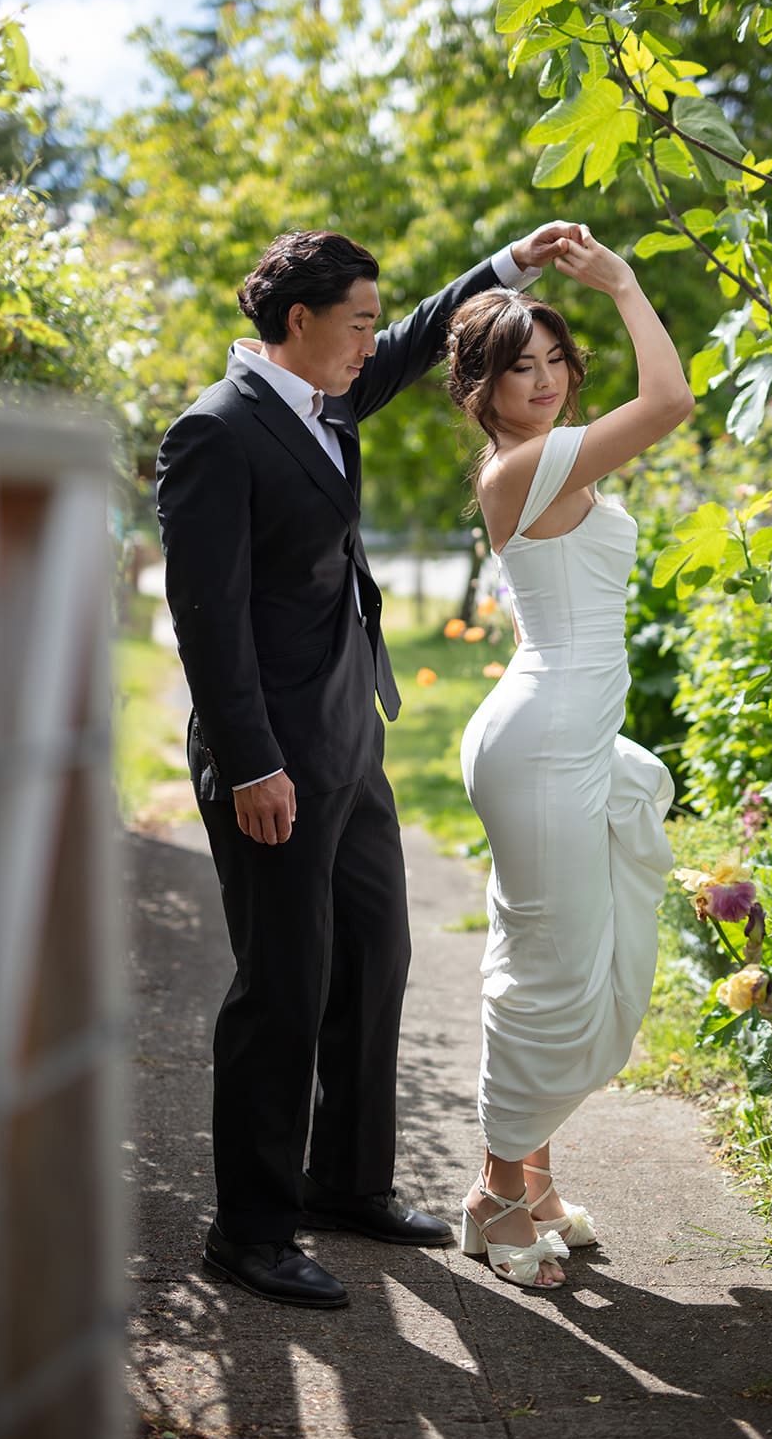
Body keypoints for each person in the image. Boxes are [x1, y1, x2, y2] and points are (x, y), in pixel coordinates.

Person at [156, 220, 584, 1309]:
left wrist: (509, 268)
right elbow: (205, 619)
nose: (369, 342)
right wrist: (251, 763)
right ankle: (248, 1231)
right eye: (351, 321)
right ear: (295, 323)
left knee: (372, 958)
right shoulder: (216, 431)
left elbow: (407, 338)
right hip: (272, 760)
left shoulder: (325, 391)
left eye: (366, 323)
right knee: (282, 988)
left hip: (352, 737)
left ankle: (343, 1184)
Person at [448, 231, 693, 1289]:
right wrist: (623, 285)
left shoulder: (533, 464)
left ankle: (534, 1180)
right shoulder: (528, 462)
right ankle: (495, 1199)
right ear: (484, 386)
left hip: (557, 730)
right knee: (548, 969)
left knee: (566, 950)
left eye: (553, 360)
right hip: (544, 744)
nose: (543, 381)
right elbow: (670, 400)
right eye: (519, 365)